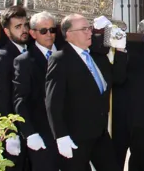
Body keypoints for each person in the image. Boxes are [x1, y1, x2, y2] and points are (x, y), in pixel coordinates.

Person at [45, 14, 127, 171]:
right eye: (84, 29)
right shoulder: (60, 59)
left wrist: (121, 50)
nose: (90, 32)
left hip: (100, 133)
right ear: (69, 34)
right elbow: (53, 101)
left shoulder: (96, 57)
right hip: (75, 136)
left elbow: (118, 78)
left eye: (89, 28)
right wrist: (60, 136)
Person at [13, 12, 60, 171]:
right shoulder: (24, 61)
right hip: (42, 133)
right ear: (33, 33)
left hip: (68, 131)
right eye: (43, 31)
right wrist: (30, 133)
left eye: (52, 30)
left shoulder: (65, 55)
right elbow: (20, 99)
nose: (49, 34)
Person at [0, 6, 30, 166]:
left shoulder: (31, 52)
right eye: (18, 27)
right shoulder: (3, 57)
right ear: (7, 32)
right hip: (15, 131)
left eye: (25, 25)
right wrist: (9, 132)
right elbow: (1, 97)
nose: (23, 30)